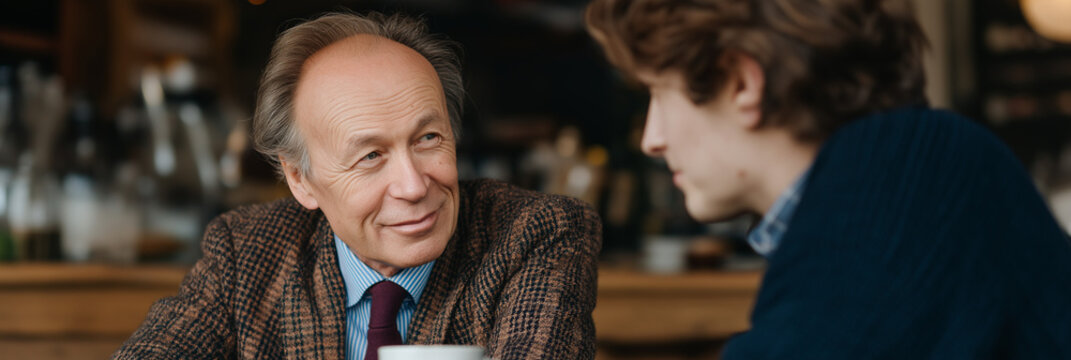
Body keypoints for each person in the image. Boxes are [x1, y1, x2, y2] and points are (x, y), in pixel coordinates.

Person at [585, 0, 1071, 358]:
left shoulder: (911, 176)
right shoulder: (918, 163)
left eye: (657, 94)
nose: (651, 138)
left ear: (740, 83)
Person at [115, 12, 600, 360]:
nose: (413, 186)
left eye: (428, 138)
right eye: (371, 157)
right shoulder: (247, 252)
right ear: (302, 180)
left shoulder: (535, 233)